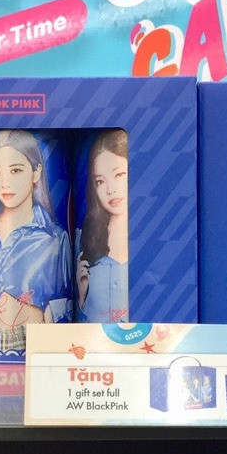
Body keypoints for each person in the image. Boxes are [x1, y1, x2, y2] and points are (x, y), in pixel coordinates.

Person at [0, 130, 71, 354]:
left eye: (16, 170)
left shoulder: (55, 237)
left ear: (36, 172)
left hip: (37, 349)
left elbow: (67, 307)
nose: (5, 183)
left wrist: (53, 314)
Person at [76, 129, 129, 323]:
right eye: (100, 181)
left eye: (119, 175)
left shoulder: (156, 236)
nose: (110, 190)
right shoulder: (83, 240)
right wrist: (82, 296)